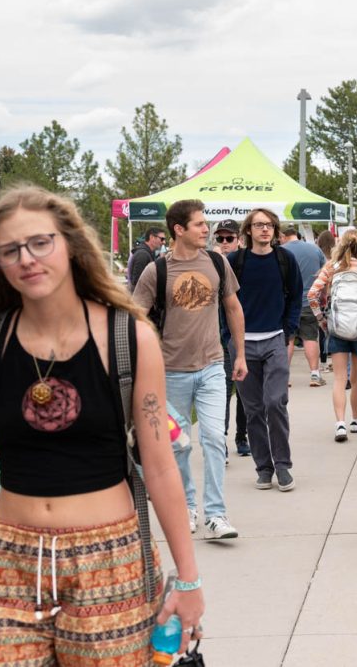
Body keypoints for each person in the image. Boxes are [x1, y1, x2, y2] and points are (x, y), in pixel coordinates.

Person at [0, 186, 203, 665]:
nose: (27, 259)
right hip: (7, 564)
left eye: (41, 242)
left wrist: (188, 578)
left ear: (70, 244)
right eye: (10, 250)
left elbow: (160, 468)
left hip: (111, 561)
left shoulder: (128, 337)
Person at [133, 201, 247, 540]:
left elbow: (233, 307)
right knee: (180, 445)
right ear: (178, 230)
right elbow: (136, 318)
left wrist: (239, 355)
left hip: (213, 366)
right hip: (169, 372)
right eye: (198, 224)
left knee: (214, 438)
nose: (205, 229)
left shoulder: (217, 262)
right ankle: (186, 507)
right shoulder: (157, 271)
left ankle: (216, 514)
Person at [230, 208, 303, 492]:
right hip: (243, 344)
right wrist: (229, 338)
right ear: (248, 230)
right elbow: (224, 303)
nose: (265, 230)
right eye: (259, 225)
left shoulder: (285, 259)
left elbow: (297, 295)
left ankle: (283, 466)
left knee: (275, 402)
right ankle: (264, 468)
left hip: (275, 339)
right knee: (253, 409)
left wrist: (289, 330)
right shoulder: (235, 261)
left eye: (269, 225)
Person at [308, 229, 357, 441]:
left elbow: (312, 294)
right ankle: (356, 420)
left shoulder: (332, 268)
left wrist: (322, 320)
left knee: (339, 378)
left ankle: (340, 423)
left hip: (336, 328)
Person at [213, 219, 251, 457]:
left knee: (245, 392)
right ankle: (222, 441)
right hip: (219, 338)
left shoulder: (246, 263)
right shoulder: (213, 264)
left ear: (239, 239)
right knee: (223, 392)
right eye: (220, 239)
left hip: (243, 337)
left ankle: (242, 436)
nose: (225, 243)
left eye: (229, 238)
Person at [280, 226, 327, 386]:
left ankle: (284, 377)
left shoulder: (280, 251)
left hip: (287, 302)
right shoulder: (315, 249)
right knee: (310, 338)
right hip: (309, 301)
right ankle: (315, 374)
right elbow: (324, 272)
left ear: (283, 236)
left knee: (288, 340)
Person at [127, 226, 166, 291]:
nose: (164, 242)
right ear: (152, 237)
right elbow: (137, 282)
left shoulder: (147, 253)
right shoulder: (142, 255)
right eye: (162, 239)